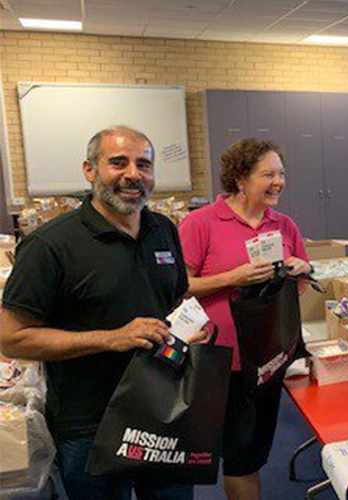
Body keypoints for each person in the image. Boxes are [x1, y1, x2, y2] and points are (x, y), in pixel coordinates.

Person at [0, 126, 199, 500]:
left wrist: (188, 327)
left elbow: (174, 299)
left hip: (164, 410)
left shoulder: (164, 230)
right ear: (90, 170)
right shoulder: (50, 245)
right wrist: (112, 338)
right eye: (118, 163)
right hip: (89, 424)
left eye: (144, 164)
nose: (133, 174)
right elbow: (11, 336)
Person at [178, 138, 311, 500]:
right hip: (220, 358)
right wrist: (231, 279)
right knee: (233, 453)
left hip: (267, 357)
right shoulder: (200, 223)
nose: (278, 182)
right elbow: (178, 289)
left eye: (281, 173)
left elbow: (299, 285)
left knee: (252, 452)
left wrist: (301, 269)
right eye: (268, 174)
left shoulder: (284, 224)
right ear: (240, 179)